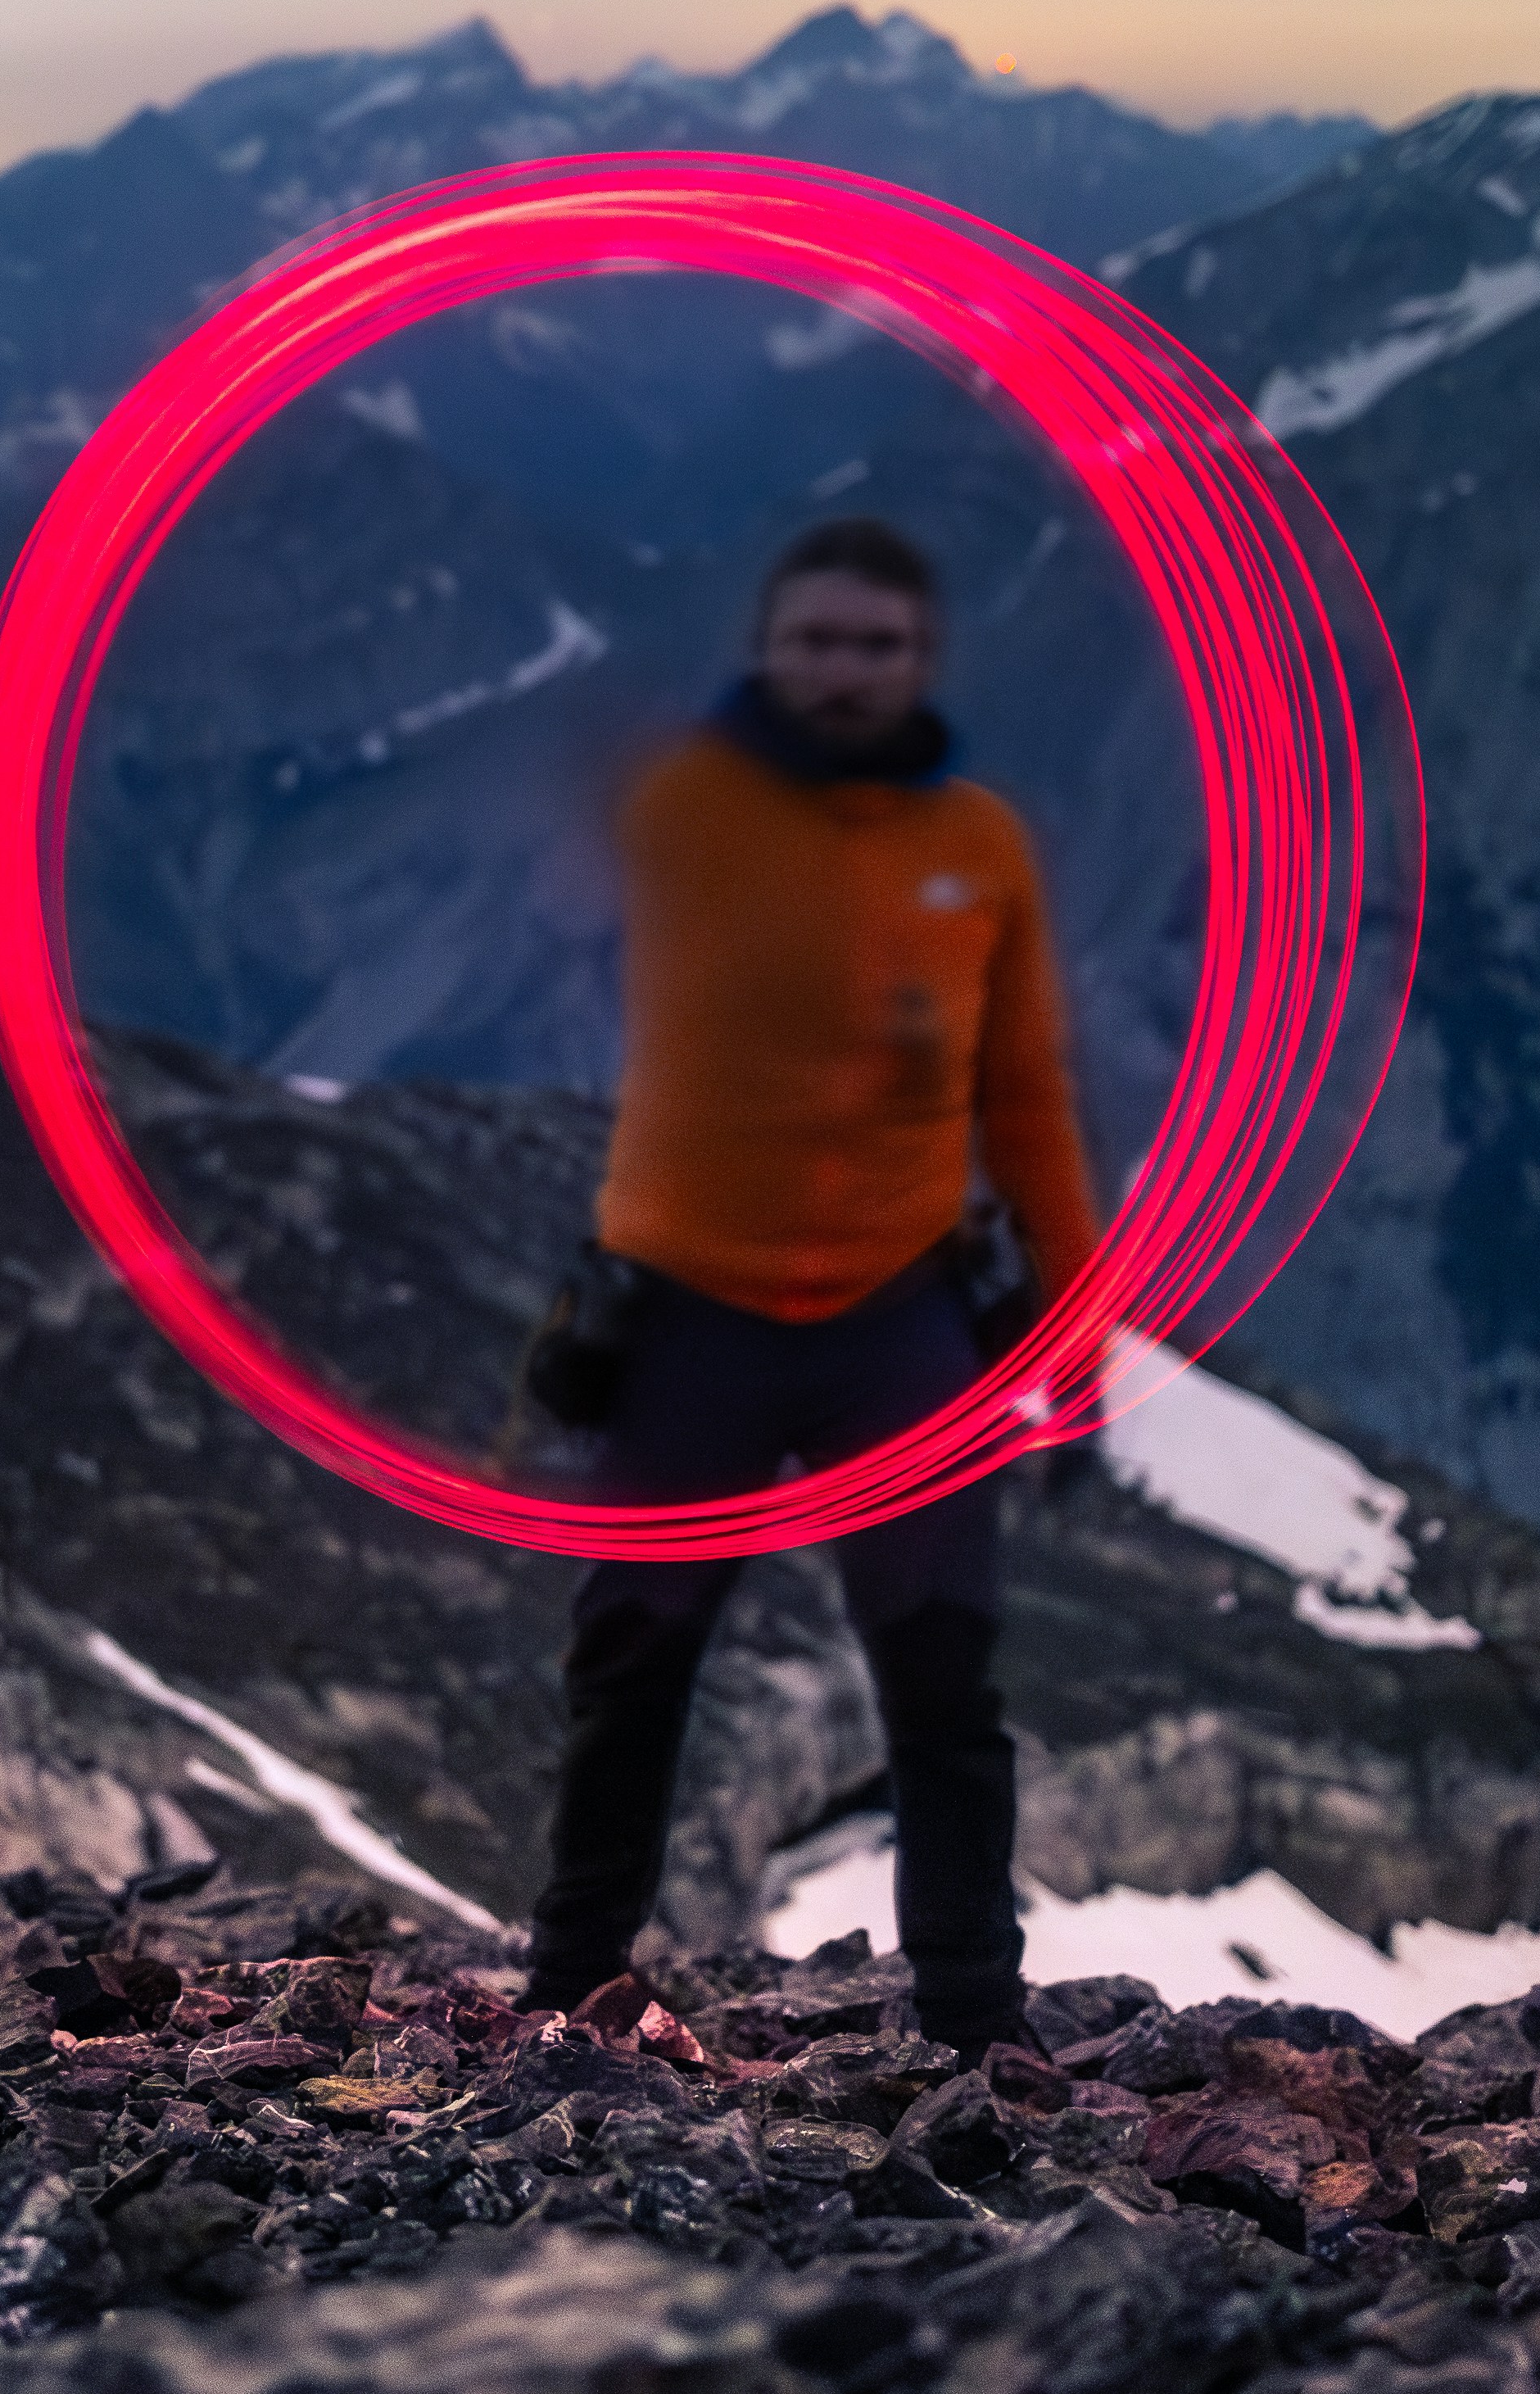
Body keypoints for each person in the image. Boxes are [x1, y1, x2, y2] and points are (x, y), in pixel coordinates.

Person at [516, 515, 1098, 2055]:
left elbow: (1025, 1092)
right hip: (687, 1305)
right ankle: (568, 1983)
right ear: (768, 646)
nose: (848, 670)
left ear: (925, 660)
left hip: (897, 1314)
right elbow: (565, 812)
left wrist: (1074, 1331)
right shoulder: (679, 804)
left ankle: (976, 2018)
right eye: (820, 640)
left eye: (880, 645)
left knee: (941, 1668)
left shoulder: (978, 847)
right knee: (633, 1653)